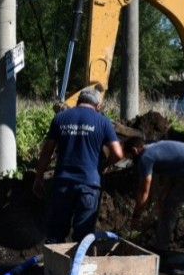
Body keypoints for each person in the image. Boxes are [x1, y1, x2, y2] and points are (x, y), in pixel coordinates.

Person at [33, 88, 123, 243]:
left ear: (78, 101)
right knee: (83, 238)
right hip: (89, 184)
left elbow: (47, 151)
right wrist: (104, 164)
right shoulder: (103, 121)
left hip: (62, 184)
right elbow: (118, 153)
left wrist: (38, 177)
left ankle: (53, 267)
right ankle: (78, 266)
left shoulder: (60, 118)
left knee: (55, 234)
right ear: (97, 106)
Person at [123, 136, 184, 275]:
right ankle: (161, 249)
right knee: (167, 206)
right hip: (183, 172)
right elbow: (173, 168)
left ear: (135, 150)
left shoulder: (145, 157)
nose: (130, 161)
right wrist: (163, 196)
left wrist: (136, 216)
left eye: (129, 157)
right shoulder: (153, 151)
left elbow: (144, 191)